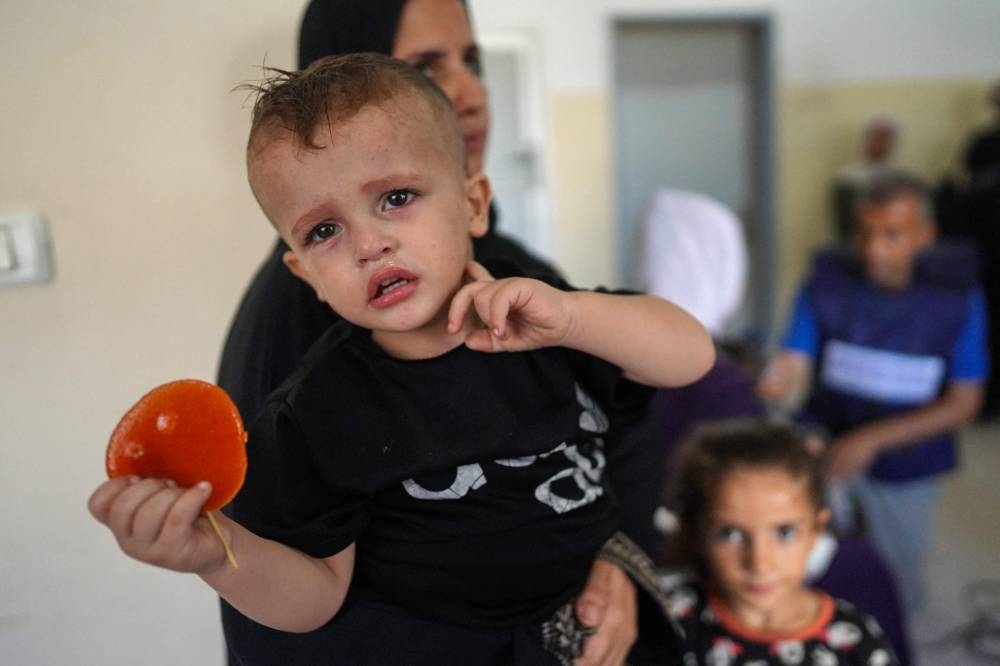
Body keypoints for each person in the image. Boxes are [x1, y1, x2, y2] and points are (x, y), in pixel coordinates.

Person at [90, 53, 715, 664]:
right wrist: (213, 555)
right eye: (324, 231)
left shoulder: (545, 314)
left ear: (473, 203)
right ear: (304, 274)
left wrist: (576, 317)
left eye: (395, 197)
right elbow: (316, 599)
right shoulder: (320, 412)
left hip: (600, 628)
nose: (369, 243)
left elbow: (690, 355)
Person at [216, 0, 668, 661]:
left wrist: (616, 560)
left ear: (474, 202)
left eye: (471, 61)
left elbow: (625, 415)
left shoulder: (522, 280)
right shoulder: (301, 352)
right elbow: (292, 580)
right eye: (427, 65)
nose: (471, 94)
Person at [757, 171, 989, 611]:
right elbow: (794, 357)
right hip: (825, 441)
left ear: (925, 236)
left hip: (907, 460)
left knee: (895, 576)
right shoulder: (825, 284)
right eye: (863, 232)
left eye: (892, 234)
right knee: (815, 563)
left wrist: (871, 440)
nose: (873, 248)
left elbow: (965, 402)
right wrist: (772, 378)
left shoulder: (956, 300)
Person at [664, 420, 898, 665]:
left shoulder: (853, 638)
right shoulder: (670, 623)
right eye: (729, 534)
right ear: (695, 533)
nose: (759, 563)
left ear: (816, 531)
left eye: (784, 533)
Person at [831, 116, 897, 242]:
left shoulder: (898, 178)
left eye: (885, 140)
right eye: (876, 139)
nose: (880, 145)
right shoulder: (847, 178)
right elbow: (844, 223)